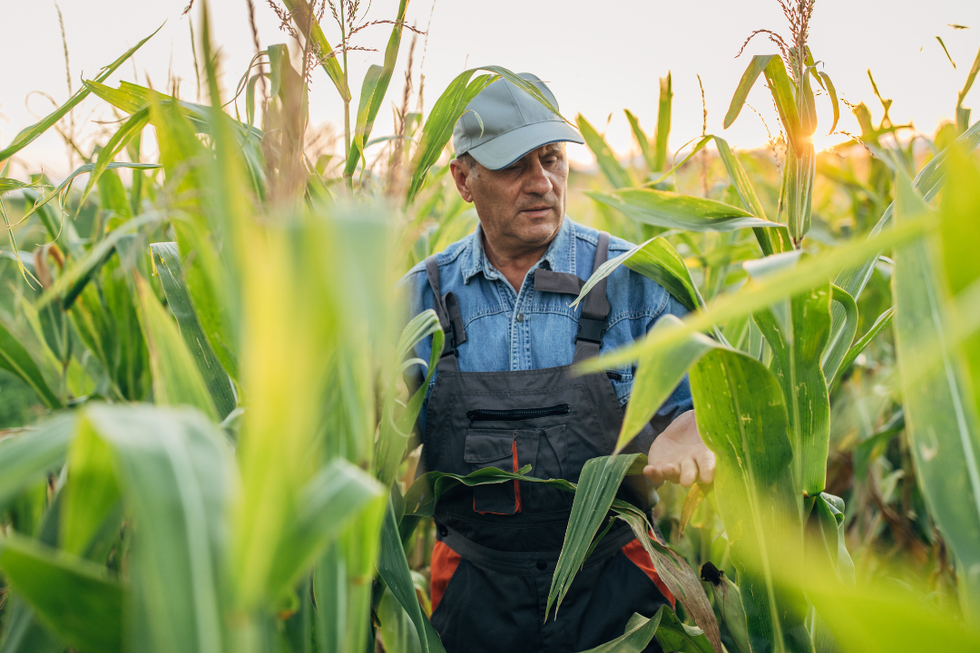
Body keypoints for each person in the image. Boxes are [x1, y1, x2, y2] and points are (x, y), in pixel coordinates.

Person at [401, 72, 715, 653]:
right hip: (473, 593)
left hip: (617, 587)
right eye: (514, 165)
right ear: (463, 179)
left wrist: (686, 431)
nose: (541, 182)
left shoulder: (637, 281)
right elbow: (368, 439)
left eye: (551, 158)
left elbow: (701, 406)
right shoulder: (418, 302)